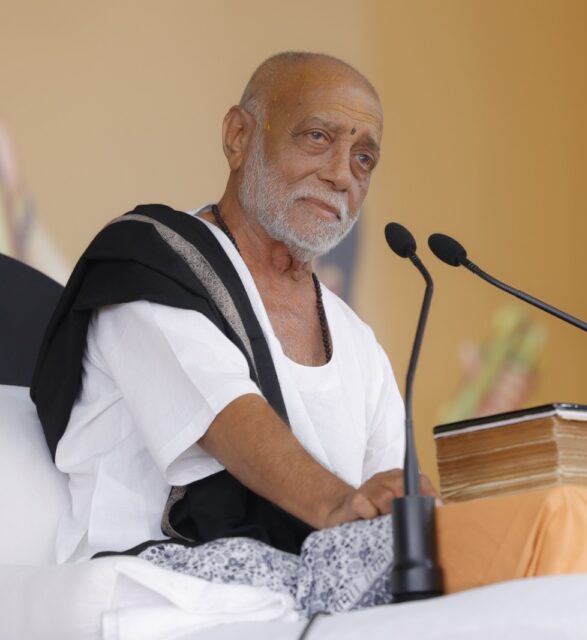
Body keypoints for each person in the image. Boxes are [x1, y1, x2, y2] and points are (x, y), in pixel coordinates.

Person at [30, 52, 435, 613]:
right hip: (159, 598)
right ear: (239, 137)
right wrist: (343, 508)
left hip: (301, 603)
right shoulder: (152, 261)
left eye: (363, 158)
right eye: (317, 137)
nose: (341, 174)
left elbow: (388, 500)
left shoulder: (357, 341)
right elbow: (227, 419)